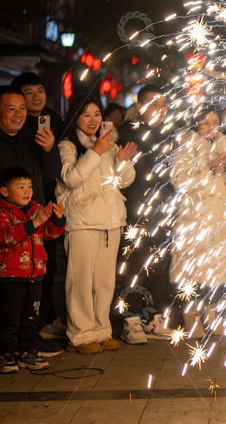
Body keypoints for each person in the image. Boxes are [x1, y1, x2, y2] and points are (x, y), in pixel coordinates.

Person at [56, 96, 137, 354]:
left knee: (104, 282)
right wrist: (96, 152)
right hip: (82, 222)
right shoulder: (68, 145)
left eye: (96, 114)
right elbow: (71, 178)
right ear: (75, 118)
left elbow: (124, 181)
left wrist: (122, 160)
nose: (93, 120)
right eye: (86, 115)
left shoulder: (107, 141)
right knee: (80, 281)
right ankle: (80, 335)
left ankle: (102, 331)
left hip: (111, 221)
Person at [0, 85, 63, 357]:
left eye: (22, 108)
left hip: (34, 220)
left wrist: (49, 149)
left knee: (35, 286)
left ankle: (29, 342)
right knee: (7, 298)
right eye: (11, 108)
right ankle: (7, 348)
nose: (18, 113)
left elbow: (51, 174)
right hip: (5, 223)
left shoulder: (32, 137)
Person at [170, 107, 226, 338]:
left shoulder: (223, 144)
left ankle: (213, 314)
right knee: (193, 268)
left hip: (221, 218)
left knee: (218, 268)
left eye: (215, 122)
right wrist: (208, 170)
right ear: (195, 125)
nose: (212, 127)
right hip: (196, 217)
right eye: (206, 122)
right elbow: (179, 181)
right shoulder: (186, 146)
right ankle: (191, 317)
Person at [12, 73, 69, 343]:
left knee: (46, 263)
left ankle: (44, 318)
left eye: (40, 90)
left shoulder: (53, 120)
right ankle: (23, 331)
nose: (36, 97)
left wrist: (49, 148)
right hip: (17, 207)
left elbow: (52, 172)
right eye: (28, 92)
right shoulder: (17, 132)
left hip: (44, 202)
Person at [117, 83, 174, 338]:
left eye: (164, 104)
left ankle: (154, 318)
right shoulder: (126, 133)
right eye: (154, 103)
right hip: (136, 211)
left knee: (159, 266)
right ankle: (131, 320)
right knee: (134, 268)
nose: (160, 109)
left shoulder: (169, 134)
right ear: (140, 106)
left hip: (162, 212)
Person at [0, 167, 65, 373]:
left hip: (35, 277)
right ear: (4, 191)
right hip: (10, 279)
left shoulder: (35, 209)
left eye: (29, 186)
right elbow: (7, 237)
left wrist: (57, 220)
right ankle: (5, 355)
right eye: (21, 187)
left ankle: (28, 353)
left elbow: (49, 235)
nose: (27, 191)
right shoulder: (3, 213)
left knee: (30, 320)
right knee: (9, 321)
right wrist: (35, 221)